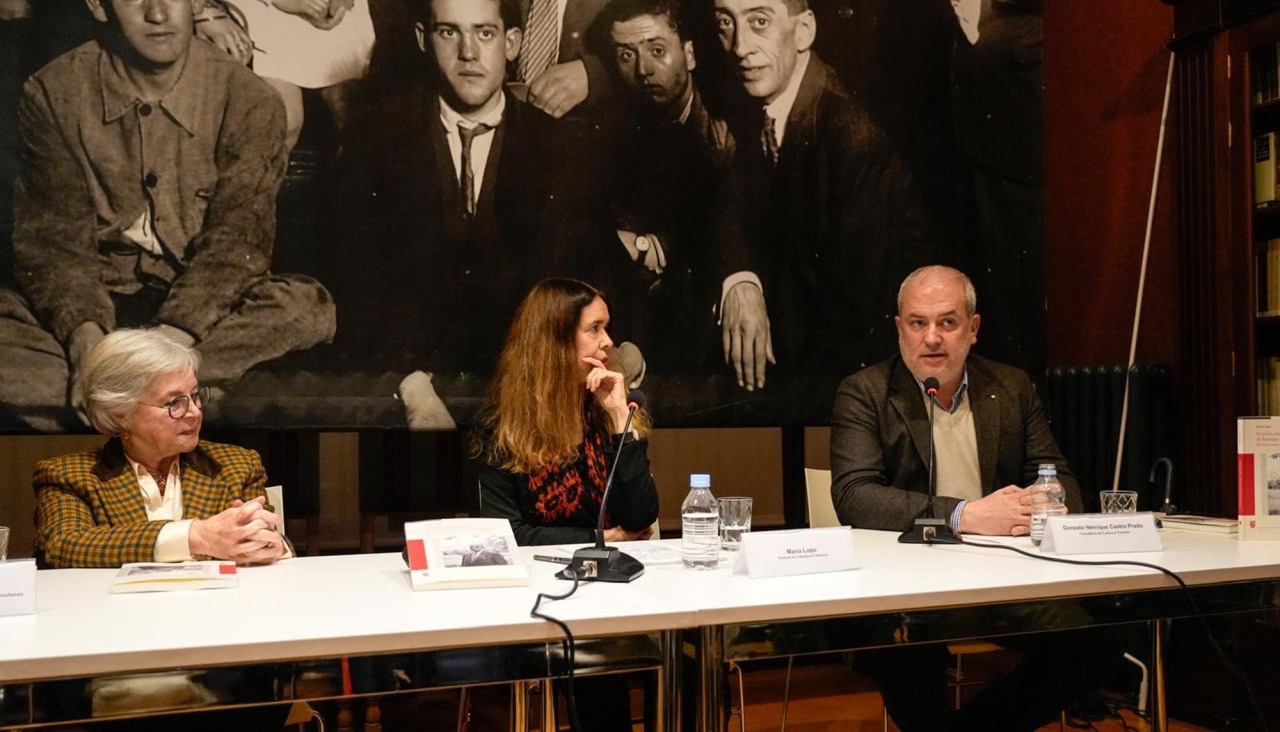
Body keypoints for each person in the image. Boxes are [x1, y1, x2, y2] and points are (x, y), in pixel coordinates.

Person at [0, 0, 336, 432]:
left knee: (307, 309)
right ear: (99, 7)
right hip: (97, 300)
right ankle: (178, 403)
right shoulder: (52, 92)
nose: (158, 13)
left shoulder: (251, 99)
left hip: (200, 313)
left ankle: (112, 404)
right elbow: (55, 245)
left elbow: (235, 247)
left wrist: (166, 344)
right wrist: (84, 341)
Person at [830, 265, 1117, 731]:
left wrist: (1044, 502)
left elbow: (1057, 478)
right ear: (899, 327)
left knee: (1091, 640)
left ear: (973, 328)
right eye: (918, 323)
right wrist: (965, 515)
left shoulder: (1010, 387)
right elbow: (855, 496)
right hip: (905, 587)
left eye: (948, 322)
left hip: (1000, 581)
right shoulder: (865, 393)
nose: (932, 338)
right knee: (903, 645)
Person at [328, 0, 614, 427]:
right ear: (424, 39)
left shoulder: (558, 146)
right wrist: (410, 386)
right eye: (449, 32)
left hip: (523, 383)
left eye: (485, 33)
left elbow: (590, 273)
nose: (468, 53)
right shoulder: (374, 136)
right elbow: (353, 276)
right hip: (408, 376)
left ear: (512, 42)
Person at [712, 0, 928, 395]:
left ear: (804, 31)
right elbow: (730, 202)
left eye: (759, 21)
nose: (740, 46)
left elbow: (853, 324)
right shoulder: (754, 101)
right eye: (726, 22)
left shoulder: (852, 135)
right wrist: (741, 281)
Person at [474, 278, 658, 732]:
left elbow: (640, 518)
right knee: (587, 660)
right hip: (535, 597)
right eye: (594, 329)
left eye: (607, 328)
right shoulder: (503, 429)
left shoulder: (608, 407)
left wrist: (620, 420)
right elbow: (507, 536)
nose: (608, 342)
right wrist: (601, 539)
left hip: (614, 593)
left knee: (614, 659)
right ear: (556, 340)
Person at [32, 328, 291, 570]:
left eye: (195, 395)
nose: (194, 412)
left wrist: (268, 544)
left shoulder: (237, 466)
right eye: (174, 402)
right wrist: (196, 536)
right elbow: (62, 546)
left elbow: (267, 547)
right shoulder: (69, 476)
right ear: (120, 413)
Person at [603, 0, 741, 374]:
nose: (643, 69)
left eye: (657, 50)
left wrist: (648, 245)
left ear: (690, 54)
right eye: (626, 55)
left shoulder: (727, 135)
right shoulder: (612, 132)